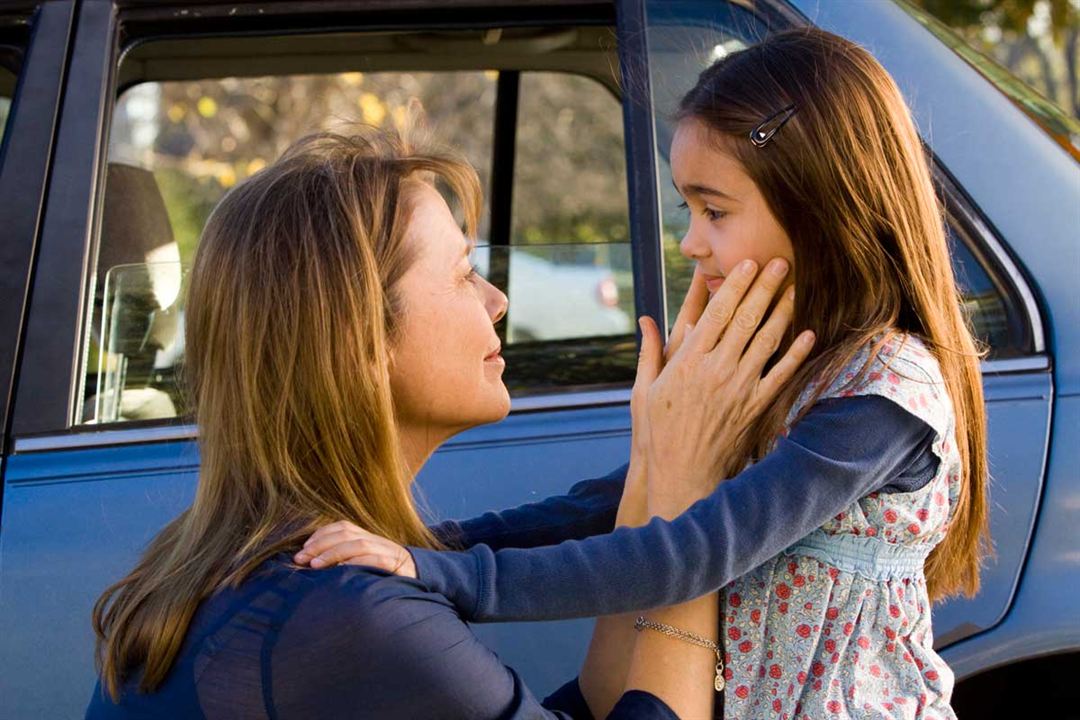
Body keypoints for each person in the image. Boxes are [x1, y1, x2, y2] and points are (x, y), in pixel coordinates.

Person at [298, 28, 989, 719]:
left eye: (714, 211)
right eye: (688, 210)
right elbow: (615, 502)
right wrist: (423, 546)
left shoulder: (882, 399)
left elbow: (691, 549)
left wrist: (445, 575)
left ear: (821, 209)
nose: (691, 241)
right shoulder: (783, 371)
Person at [85, 121, 810, 718]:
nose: (496, 299)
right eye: (463, 272)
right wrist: (690, 508)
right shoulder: (346, 612)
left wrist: (656, 465)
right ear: (359, 342)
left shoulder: (232, 565)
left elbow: (579, 709)